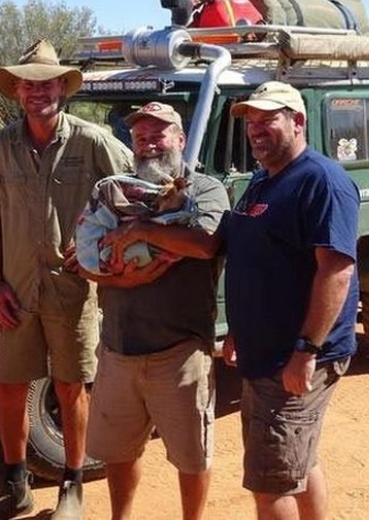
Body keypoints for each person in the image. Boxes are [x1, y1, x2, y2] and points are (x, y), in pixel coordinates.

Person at [0, 39, 133, 520]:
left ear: (62, 87)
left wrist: (98, 244)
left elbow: (134, 197)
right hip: (17, 291)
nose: (36, 91)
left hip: (73, 290)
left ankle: (72, 485)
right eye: (27, 83)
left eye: (45, 83)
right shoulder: (1, 146)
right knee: (8, 386)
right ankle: (15, 484)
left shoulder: (93, 141)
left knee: (70, 387)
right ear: (17, 91)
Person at [76, 102, 230, 520]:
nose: (149, 144)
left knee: (191, 456)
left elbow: (204, 244)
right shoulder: (114, 190)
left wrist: (140, 230)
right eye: (140, 137)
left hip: (179, 351)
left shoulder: (205, 190)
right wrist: (121, 279)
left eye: (159, 134)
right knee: (118, 452)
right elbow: (84, 259)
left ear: (180, 140)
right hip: (118, 348)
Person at [222, 81, 360, 520]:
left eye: (269, 119)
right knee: (299, 461)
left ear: (297, 121)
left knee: (272, 482)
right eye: (251, 122)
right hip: (265, 353)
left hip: (294, 359)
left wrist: (306, 351)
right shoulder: (263, 179)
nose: (257, 130)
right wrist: (239, 330)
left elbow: (336, 271)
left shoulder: (322, 181)